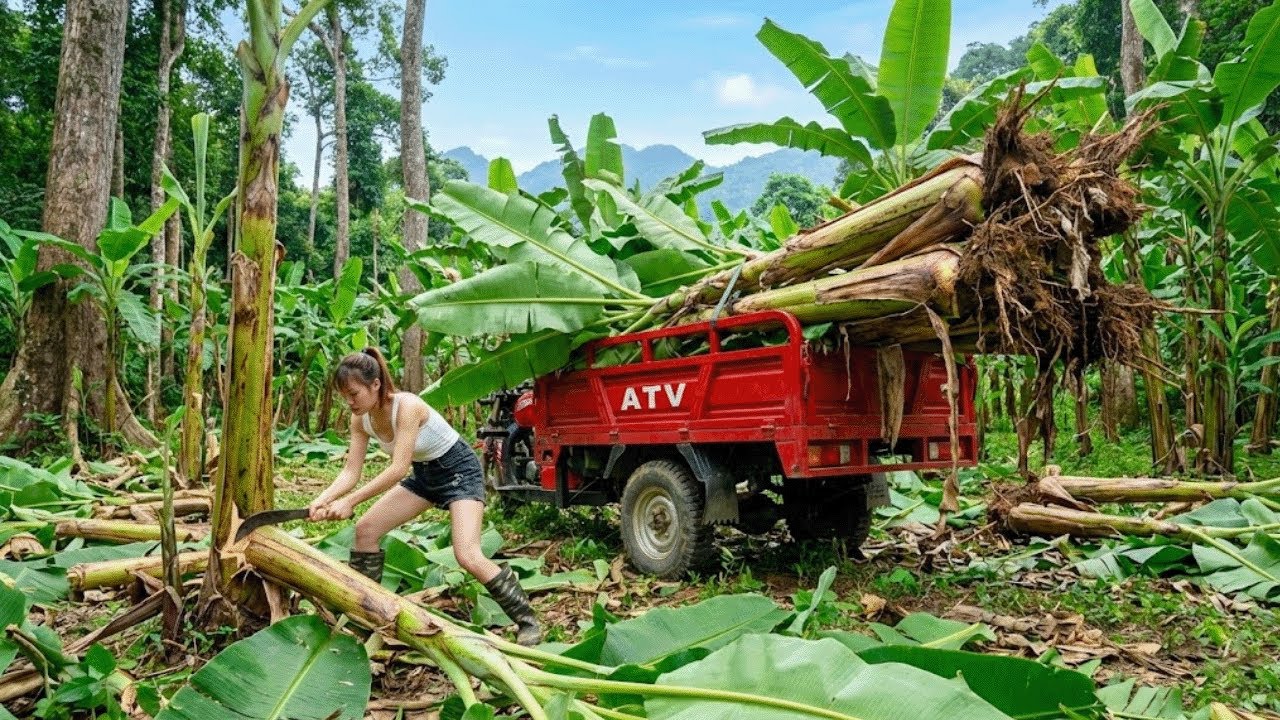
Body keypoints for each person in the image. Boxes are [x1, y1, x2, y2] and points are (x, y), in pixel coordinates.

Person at [308, 348, 542, 645]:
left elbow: (397, 469)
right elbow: (350, 473)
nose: (350, 402)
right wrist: (323, 499)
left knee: (467, 554)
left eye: (354, 394)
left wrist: (350, 501)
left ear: (375, 385)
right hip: (425, 476)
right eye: (345, 396)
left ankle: (527, 621)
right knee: (366, 531)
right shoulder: (361, 419)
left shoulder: (408, 407)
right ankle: (365, 618)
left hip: (459, 471)